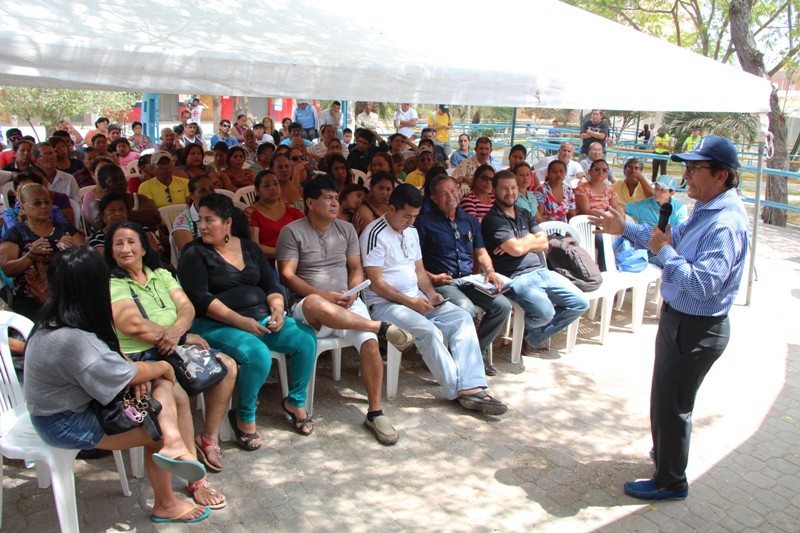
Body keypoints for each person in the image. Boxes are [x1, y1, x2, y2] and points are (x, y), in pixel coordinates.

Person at [589, 136, 749, 501]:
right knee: (664, 398)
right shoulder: (706, 208)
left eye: (695, 168)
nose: (686, 175)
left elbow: (703, 284)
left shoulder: (724, 222)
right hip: (680, 320)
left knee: (673, 406)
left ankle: (670, 481)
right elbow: (667, 239)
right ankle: (666, 457)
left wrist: (665, 253)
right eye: (687, 167)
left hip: (696, 328)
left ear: (722, 175)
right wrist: (626, 228)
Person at [24, 246, 213, 524]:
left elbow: (113, 361)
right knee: (155, 427)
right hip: (64, 423)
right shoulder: (72, 339)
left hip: (73, 406)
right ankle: (166, 501)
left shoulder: (57, 319)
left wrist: (134, 375)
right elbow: (113, 367)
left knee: (159, 386)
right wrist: (156, 368)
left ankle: (174, 443)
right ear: (93, 287)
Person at [277, 177, 413, 444]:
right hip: (310, 308)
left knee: (371, 345)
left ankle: (375, 413)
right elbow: (287, 276)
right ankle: (379, 326)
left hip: (346, 304)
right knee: (319, 304)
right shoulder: (292, 231)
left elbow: (355, 269)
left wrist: (351, 292)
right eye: (328, 198)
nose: (334, 203)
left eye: (336, 198)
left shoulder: (347, 229)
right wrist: (324, 295)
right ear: (310, 202)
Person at [105, 221, 234, 506]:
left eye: (131, 242)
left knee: (228, 366)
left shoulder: (160, 273)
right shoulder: (113, 282)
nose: (125, 248)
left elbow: (186, 307)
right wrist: (175, 337)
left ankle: (208, 439)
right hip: (142, 357)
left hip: (172, 348)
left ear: (143, 246)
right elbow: (130, 323)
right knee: (176, 398)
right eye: (118, 244)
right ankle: (196, 479)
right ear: (111, 251)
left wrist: (177, 334)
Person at [178, 194, 317, 445]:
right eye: (201, 220)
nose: (203, 226)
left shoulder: (249, 248)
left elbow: (271, 284)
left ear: (227, 222)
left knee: (305, 338)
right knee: (257, 353)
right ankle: (244, 415)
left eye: (210, 220)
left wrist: (277, 309)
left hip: (260, 318)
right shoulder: (194, 252)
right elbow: (199, 298)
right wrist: (239, 322)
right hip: (214, 324)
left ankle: (295, 401)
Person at [360, 184, 508, 414]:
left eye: (415, 216)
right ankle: (458, 390)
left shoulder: (411, 231)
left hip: (415, 297)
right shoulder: (374, 233)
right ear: (390, 208)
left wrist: (431, 293)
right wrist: (411, 303)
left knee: (461, 317)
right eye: (406, 216)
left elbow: (419, 271)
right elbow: (376, 283)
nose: (410, 221)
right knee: (427, 330)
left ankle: (472, 385)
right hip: (383, 304)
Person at [483, 170, 589, 354]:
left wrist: (522, 242)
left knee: (580, 303)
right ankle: (531, 335)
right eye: (504, 188)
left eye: (513, 188)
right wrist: (530, 239)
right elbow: (518, 248)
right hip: (516, 277)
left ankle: (531, 336)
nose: (510, 192)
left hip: (542, 271)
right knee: (545, 312)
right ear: (494, 191)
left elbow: (544, 243)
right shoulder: (492, 219)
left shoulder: (524, 213)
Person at [416, 174, 511, 376]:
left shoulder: (469, 220)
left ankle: (477, 351)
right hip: (441, 281)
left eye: (453, 191)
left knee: (503, 306)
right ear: (433, 198)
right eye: (443, 194)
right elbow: (412, 261)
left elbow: (480, 251)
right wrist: (431, 277)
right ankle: (460, 358)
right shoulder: (423, 223)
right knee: (466, 309)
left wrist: (490, 270)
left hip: (468, 279)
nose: (450, 196)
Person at [0, 183, 85, 319]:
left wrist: (73, 251)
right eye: (36, 203)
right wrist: (29, 256)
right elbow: (8, 269)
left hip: (68, 294)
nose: (44, 206)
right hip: (31, 299)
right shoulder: (16, 233)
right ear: (23, 207)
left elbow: (88, 259)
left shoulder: (64, 229)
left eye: (47, 202)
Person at [625, 175, 688, 266]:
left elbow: (681, 234)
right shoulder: (643, 204)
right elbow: (622, 208)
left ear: (672, 192)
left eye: (662, 190)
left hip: (670, 251)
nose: (657, 192)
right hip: (648, 252)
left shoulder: (681, 208)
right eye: (656, 188)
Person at [245, 169, 304, 266]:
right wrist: (285, 253)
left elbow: (307, 234)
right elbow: (255, 246)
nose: (272, 188)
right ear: (257, 190)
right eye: (267, 185)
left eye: (276, 184)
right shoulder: (251, 213)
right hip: (266, 266)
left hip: (295, 262)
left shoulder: (292, 209)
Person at [88, 193, 160, 256]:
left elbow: (154, 252)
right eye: (112, 210)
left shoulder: (141, 229)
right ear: (103, 216)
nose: (118, 214)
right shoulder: (98, 238)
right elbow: (103, 262)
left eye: (122, 209)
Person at [170, 175, 216, 258]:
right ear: (191, 196)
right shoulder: (183, 220)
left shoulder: (222, 213)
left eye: (211, 189)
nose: (209, 193)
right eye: (203, 191)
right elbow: (191, 253)